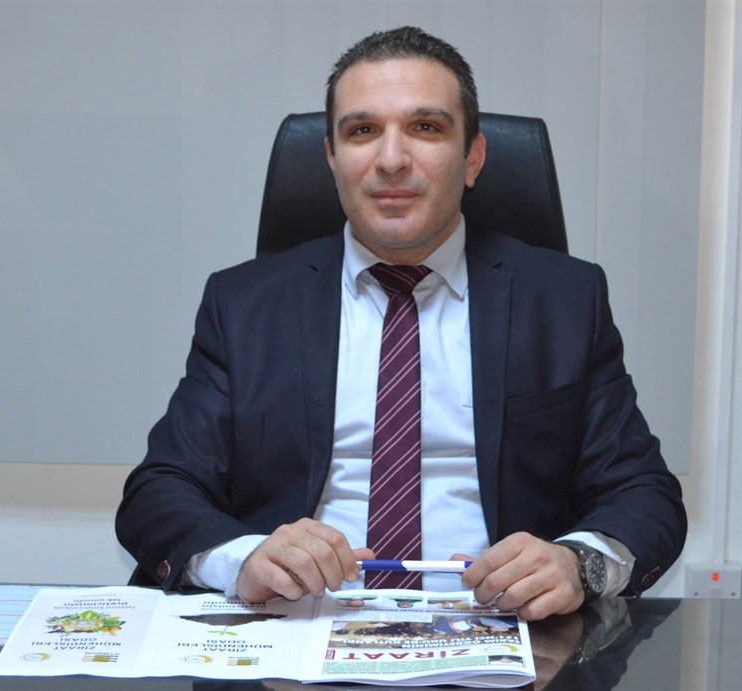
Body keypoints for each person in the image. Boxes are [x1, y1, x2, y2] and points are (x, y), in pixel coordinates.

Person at [115, 26, 686, 621]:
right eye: (362, 131)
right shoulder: (243, 304)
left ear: (473, 158)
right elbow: (159, 491)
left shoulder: (564, 300)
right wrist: (244, 560)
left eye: (426, 127)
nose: (391, 160)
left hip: (496, 632)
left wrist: (577, 564)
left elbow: (645, 495)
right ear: (332, 158)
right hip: (297, 630)